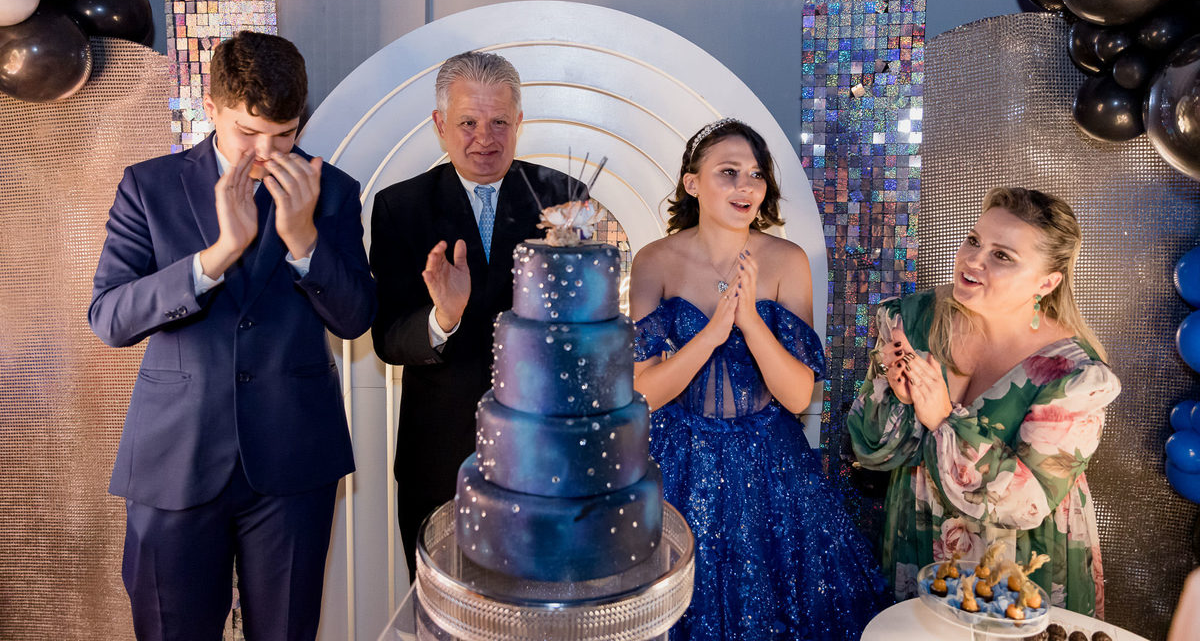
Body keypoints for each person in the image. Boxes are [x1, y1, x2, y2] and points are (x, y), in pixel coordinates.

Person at [89, 31, 376, 640]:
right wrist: (215, 257)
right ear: (212, 108)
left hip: (295, 459)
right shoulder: (148, 185)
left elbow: (354, 318)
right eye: (248, 132)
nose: (267, 152)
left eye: (285, 134)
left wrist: (305, 243)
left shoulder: (334, 191)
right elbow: (110, 317)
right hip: (175, 459)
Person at [630, 118, 886, 641]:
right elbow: (642, 391)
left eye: (756, 174)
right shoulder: (654, 261)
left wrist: (749, 320)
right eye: (728, 172)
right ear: (692, 183)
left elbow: (797, 395)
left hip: (770, 462)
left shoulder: (787, 261)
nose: (745, 185)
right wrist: (710, 335)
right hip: (679, 459)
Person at [847, 187, 1120, 617]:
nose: (974, 260)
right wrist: (898, 396)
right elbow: (869, 448)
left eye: (1002, 256)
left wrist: (943, 418)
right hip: (918, 538)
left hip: (1017, 564)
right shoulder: (914, 319)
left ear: (1047, 282)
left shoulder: (1075, 377)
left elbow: (1027, 501)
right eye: (974, 240)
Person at [370, 50, 582, 579]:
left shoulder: (564, 196)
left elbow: (582, 324)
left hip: (544, 455)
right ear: (440, 124)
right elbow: (387, 338)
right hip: (439, 460)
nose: (484, 138)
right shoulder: (400, 207)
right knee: (442, 611)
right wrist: (443, 317)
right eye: (468, 122)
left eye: (499, 123)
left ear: (519, 123)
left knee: (537, 608)